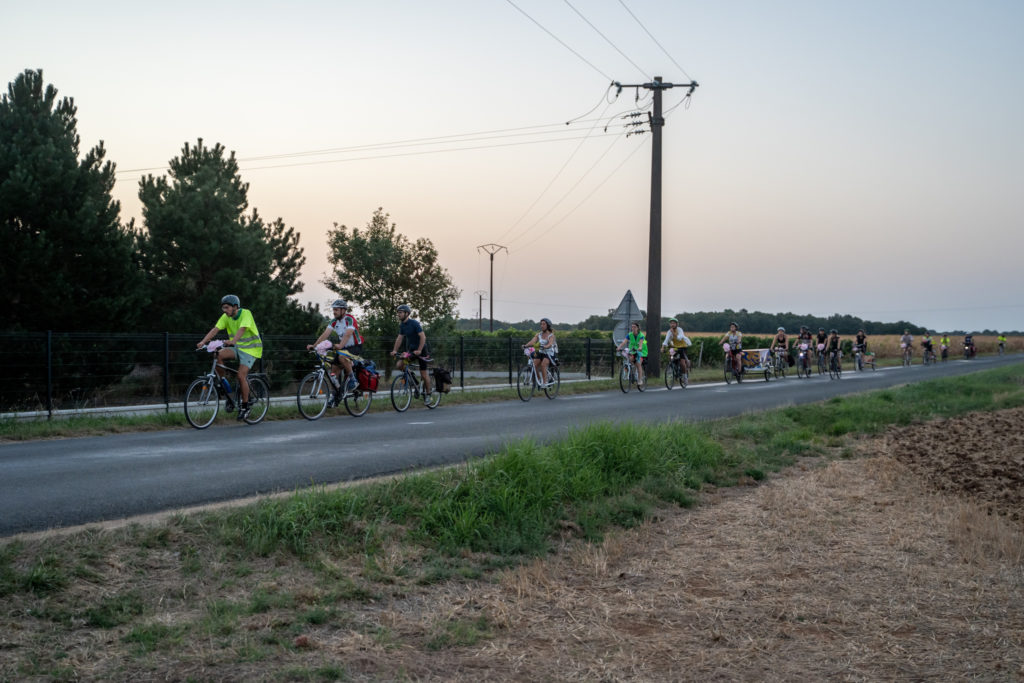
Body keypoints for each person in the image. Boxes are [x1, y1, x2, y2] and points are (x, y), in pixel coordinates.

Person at [196, 294, 263, 420]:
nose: (225, 310)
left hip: (251, 349)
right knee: (217, 354)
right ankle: (224, 384)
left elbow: (242, 329)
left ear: (235, 307)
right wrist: (203, 342)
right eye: (223, 308)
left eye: (227, 308)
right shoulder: (225, 317)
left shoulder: (246, 314)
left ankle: (245, 406)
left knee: (240, 375)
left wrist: (233, 341)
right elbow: (215, 330)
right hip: (237, 347)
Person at [308, 299, 363, 402]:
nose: (334, 312)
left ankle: (353, 380)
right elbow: (325, 334)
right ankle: (335, 395)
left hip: (355, 346)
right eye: (333, 310)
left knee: (342, 357)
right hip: (343, 348)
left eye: (336, 310)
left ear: (343, 310)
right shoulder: (334, 322)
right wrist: (314, 345)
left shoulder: (350, 320)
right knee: (334, 370)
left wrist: (340, 345)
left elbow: (347, 334)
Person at [390, 304, 433, 399]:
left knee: (424, 374)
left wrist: (420, 350)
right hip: (411, 350)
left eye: (400, 312)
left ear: (407, 313)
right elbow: (399, 338)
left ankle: (428, 394)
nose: (398, 314)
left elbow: (423, 337)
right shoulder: (402, 325)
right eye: (398, 313)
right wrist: (394, 350)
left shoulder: (414, 323)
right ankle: (414, 381)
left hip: (422, 350)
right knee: (400, 365)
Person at [522, 318, 558, 386]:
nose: (542, 325)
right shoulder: (539, 334)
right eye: (541, 324)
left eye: (544, 324)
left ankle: (545, 382)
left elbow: (550, 344)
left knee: (543, 365)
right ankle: (539, 380)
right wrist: (525, 345)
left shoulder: (551, 335)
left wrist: (545, 346)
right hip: (541, 352)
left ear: (548, 325)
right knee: (534, 365)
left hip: (549, 353)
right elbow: (532, 341)